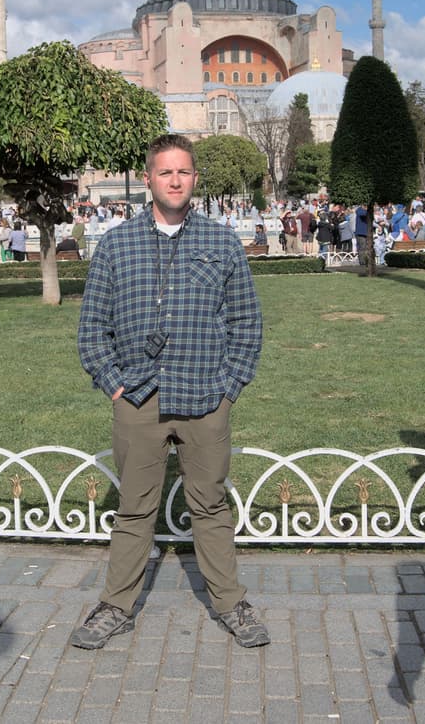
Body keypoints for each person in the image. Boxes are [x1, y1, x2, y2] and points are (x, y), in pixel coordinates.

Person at [72, 133, 268, 651]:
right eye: (165, 172)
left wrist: (228, 390)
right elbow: (92, 328)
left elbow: (247, 325)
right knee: (135, 508)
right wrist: (113, 385)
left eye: (183, 172)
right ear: (149, 180)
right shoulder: (117, 244)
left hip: (206, 398)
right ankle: (116, 605)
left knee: (210, 506)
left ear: (194, 179)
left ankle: (230, 603)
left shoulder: (221, 242)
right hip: (138, 399)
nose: (175, 180)